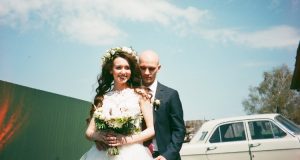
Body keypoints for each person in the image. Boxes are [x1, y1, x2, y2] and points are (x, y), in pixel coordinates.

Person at [80, 47, 154, 160]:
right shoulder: (103, 98)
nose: (123, 72)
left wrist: (124, 140)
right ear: (111, 70)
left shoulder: (141, 95)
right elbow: (89, 132)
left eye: (127, 68)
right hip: (103, 154)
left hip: (133, 153)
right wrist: (100, 137)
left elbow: (151, 130)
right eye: (118, 67)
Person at [139, 50, 186, 160]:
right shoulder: (130, 94)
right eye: (143, 67)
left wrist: (167, 155)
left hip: (164, 155)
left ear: (158, 68)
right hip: (138, 154)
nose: (146, 72)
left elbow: (179, 130)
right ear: (138, 67)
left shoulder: (171, 95)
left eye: (151, 68)